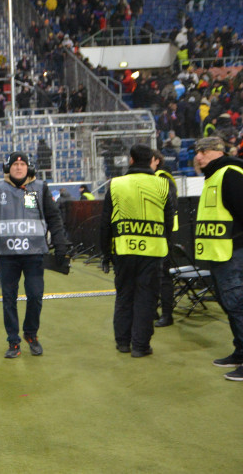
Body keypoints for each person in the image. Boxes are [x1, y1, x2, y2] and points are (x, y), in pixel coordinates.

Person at [0, 152, 69, 358]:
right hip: (8, 255)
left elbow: (54, 218)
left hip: (34, 254)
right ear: (8, 168)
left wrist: (60, 245)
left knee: (35, 296)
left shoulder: (40, 188)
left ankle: (31, 334)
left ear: (29, 167)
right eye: (15, 164)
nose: (18, 167)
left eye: (22, 164)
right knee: (9, 298)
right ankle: (13, 341)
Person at [100, 144, 174, 358]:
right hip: (153, 251)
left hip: (123, 249)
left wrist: (106, 253)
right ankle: (140, 346)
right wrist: (166, 246)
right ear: (152, 160)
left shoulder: (116, 184)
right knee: (146, 298)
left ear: (131, 160)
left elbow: (105, 223)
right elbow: (169, 221)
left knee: (124, 296)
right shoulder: (163, 184)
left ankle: (123, 342)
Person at [193, 136, 243, 381]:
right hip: (220, 253)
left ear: (217, 151)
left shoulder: (230, 173)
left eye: (203, 151)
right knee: (231, 304)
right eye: (197, 152)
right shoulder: (214, 176)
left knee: (238, 304)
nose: (198, 156)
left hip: (234, 252)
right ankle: (240, 351)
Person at [152, 149, 179, 328]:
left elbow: (170, 207)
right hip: (155, 232)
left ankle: (167, 314)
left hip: (163, 233)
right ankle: (154, 310)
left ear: (156, 161)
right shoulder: (156, 178)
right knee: (153, 275)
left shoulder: (163, 178)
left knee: (163, 276)